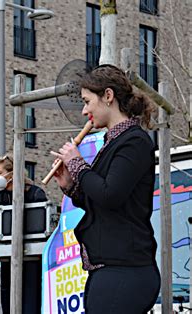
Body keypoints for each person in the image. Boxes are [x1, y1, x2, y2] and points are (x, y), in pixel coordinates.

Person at [50, 64, 160, 313]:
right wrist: (71, 187)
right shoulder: (113, 143)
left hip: (127, 270)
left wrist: (77, 164)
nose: (84, 110)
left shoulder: (133, 142)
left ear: (108, 96)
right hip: (112, 270)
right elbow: (102, 202)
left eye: (87, 101)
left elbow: (110, 195)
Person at [0, 154, 47, 314]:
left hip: (32, 259)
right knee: (8, 301)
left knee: (30, 302)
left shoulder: (35, 193)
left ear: (12, 174)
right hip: (8, 257)